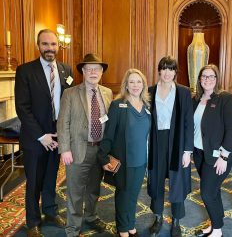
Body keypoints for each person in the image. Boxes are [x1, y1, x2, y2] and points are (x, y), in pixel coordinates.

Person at [15, 29, 73, 237]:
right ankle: (32, 222)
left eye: (53, 44)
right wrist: (42, 136)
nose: (50, 48)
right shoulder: (25, 71)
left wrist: (63, 133)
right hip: (35, 138)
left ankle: (50, 211)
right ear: (38, 45)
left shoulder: (66, 70)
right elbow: (22, 108)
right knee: (34, 181)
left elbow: (68, 104)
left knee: (51, 177)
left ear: (59, 46)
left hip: (57, 136)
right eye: (45, 44)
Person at [57, 53, 113, 237]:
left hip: (100, 150)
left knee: (94, 189)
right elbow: (63, 123)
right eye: (89, 69)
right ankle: (73, 228)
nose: (93, 72)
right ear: (83, 71)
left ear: (102, 71)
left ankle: (90, 216)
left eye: (96, 69)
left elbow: (110, 122)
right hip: (77, 150)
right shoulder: (70, 93)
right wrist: (64, 149)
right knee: (75, 191)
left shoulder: (107, 93)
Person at [98, 68, 151, 237]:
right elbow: (109, 134)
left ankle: (130, 224)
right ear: (126, 85)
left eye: (139, 82)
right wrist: (103, 156)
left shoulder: (147, 106)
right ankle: (122, 229)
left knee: (134, 194)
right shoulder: (118, 105)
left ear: (143, 85)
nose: (135, 85)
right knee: (123, 194)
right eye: (132, 82)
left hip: (141, 160)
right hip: (124, 160)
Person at [147, 56, 194, 237]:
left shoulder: (183, 92)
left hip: (178, 141)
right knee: (156, 180)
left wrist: (187, 151)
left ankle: (176, 221)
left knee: (178, 182)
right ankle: (158, 218)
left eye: (171, 69)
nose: (167, 73)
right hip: (156, 141)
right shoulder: (149, 91)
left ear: (176, 72)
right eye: (164, 68)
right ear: (159, 70)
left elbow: (189, 122)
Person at [193, 64, 232, 237]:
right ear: (199, 79)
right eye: (204, 76)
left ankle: (217, 230)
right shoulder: (196, 98)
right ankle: (215, 224)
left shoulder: (225, 98)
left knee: (207, 192)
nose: (208, 80)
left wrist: (224, 156)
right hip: (199, 153)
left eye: (212, 76)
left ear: (217, 79)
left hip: (219, 155)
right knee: (213, 190)